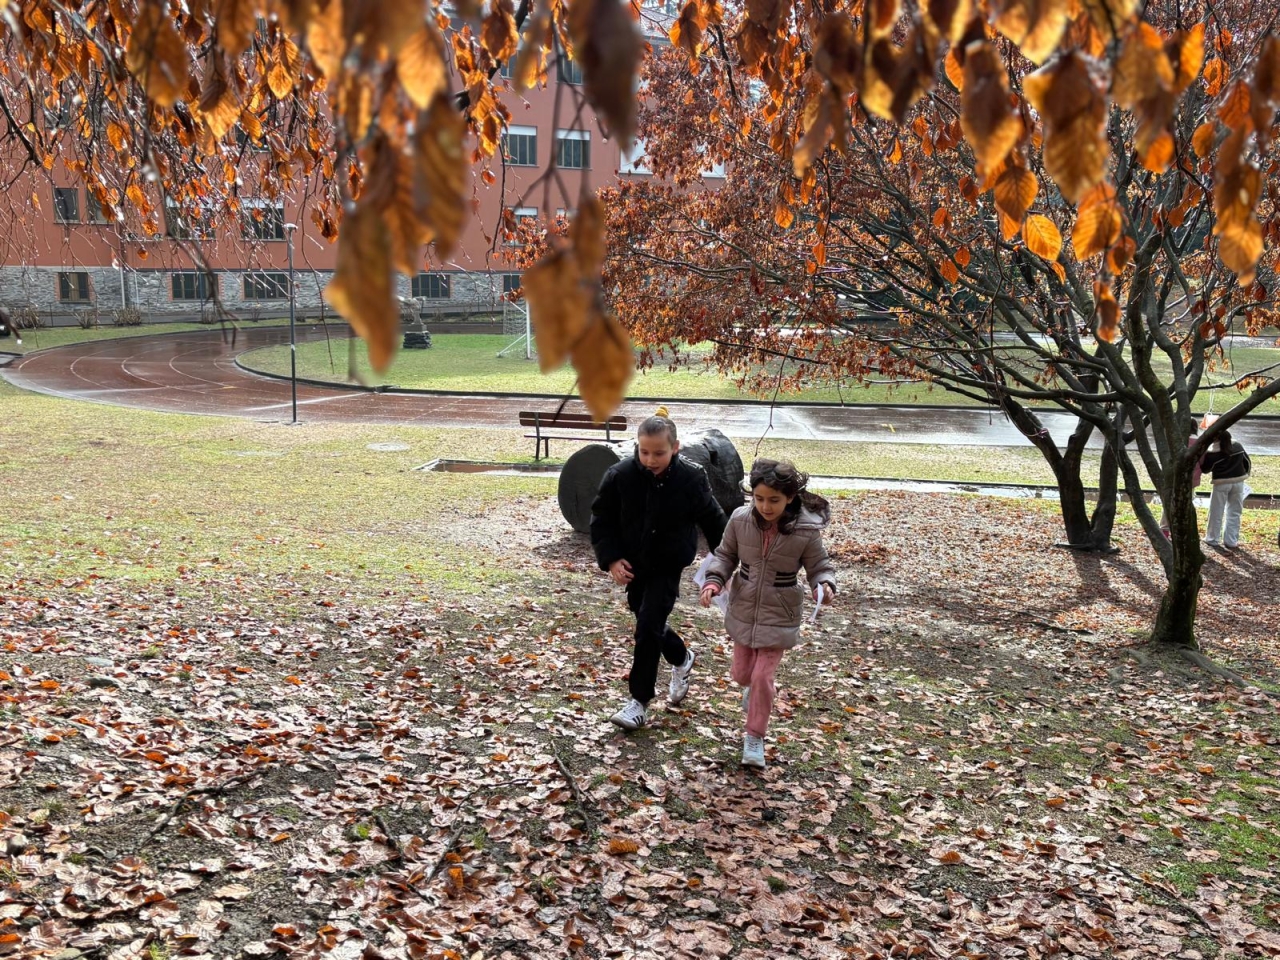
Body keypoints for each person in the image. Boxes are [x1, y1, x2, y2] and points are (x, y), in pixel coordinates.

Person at [590, 408, 727, 731]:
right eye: (644, 451)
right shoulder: (620, 475)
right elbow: (601, 519)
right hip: (634, 563)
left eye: (659, 453)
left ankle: (638, 702)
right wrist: (611, 558)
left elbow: (713, 520)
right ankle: (682, 658)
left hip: (667, 563)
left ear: (675, 448)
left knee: (648, 624)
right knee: (646, 620)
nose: (651, 459)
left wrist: (727, 561)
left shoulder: (691, 477)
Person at [699, 459, 837, 769]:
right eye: (759, 498)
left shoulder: (805, 530)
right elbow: (725, 555)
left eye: (774, 500)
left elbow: (819, 567)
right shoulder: (740, 519)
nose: (765, 506)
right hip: (744, 606)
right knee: (742, 675)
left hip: (781, 611)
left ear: (790, 497)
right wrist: (714, 580)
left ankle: (754, 736)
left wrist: (824, 586)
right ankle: (757, 691)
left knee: (763, 676)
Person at [1200, 429, 1251, 549]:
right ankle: (1231, 541)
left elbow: (1205, 469)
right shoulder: (1238, 446)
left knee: (1216, 511)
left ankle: (1212, 539)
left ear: (1216, 439)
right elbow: (1247, 462)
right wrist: (1246, 474)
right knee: (1235, 512)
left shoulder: (1212, 454)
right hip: (1238, 482)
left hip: (1221, 483)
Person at [1160, 423, 1203, 538]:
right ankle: (1182, 528)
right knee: (1186, 502)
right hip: (1191, 477)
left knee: (1170, 500)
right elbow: (1202, 461)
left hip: (1174, 475)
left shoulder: (1176, 440)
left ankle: (1165, 528)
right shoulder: (1199, 441)